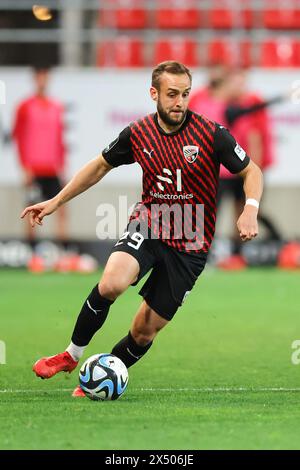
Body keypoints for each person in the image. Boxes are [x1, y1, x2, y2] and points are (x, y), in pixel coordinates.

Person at [21, 61, 263, 397]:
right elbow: (99, 166)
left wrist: (250, 210)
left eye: (185, 94)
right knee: (112, 282)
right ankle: (71, 355)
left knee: (144, 330)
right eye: (172, 94)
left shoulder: (212, 134)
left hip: (191, 245)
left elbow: (252, 172)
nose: (179, 102)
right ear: (154, 94)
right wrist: (56, 202)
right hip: (150, 224)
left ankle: (95, 382)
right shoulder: (138, 133)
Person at [13, 66, 67, 242]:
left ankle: (62, 248)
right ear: (35, 79)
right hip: (34, 168)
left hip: (52, 168)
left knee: (61, 207)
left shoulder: (56, 106)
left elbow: (59, 139)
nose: (43, 80)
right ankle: (31, 248)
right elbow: (19, 137)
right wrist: (24, 167)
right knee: (31, 208)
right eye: (40, 76)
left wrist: (62, 166)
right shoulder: (24, 106)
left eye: (45, 76)